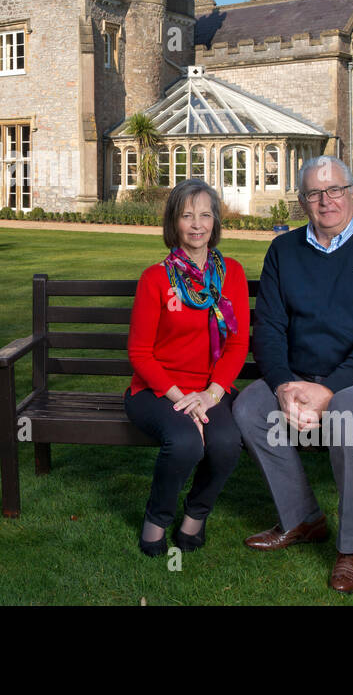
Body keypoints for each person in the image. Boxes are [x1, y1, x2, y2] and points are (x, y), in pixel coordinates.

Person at [232, 155, 353, 592]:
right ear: (302, 201)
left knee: (349, 411)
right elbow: (270, 329)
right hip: (299, 377)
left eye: (335, 189)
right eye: (315, 192)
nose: (326, 200)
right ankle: (302, 519)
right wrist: (280, 386)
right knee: (248, 407)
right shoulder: (284, 250)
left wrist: (329, 389)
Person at [125, 178, 250, 556]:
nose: (197, 224)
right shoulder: (155, 278)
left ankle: (195, 517)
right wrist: (183, 400)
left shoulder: (233, 274)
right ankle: (157, 519)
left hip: (211, 390)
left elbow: (238, 343)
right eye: (187, 215)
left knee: (227, 443)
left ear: (215, 222)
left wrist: (211, 396)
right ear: (173, 223)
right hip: (156, 391)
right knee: (184, 443)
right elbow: (140, 352)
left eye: (205, 215)